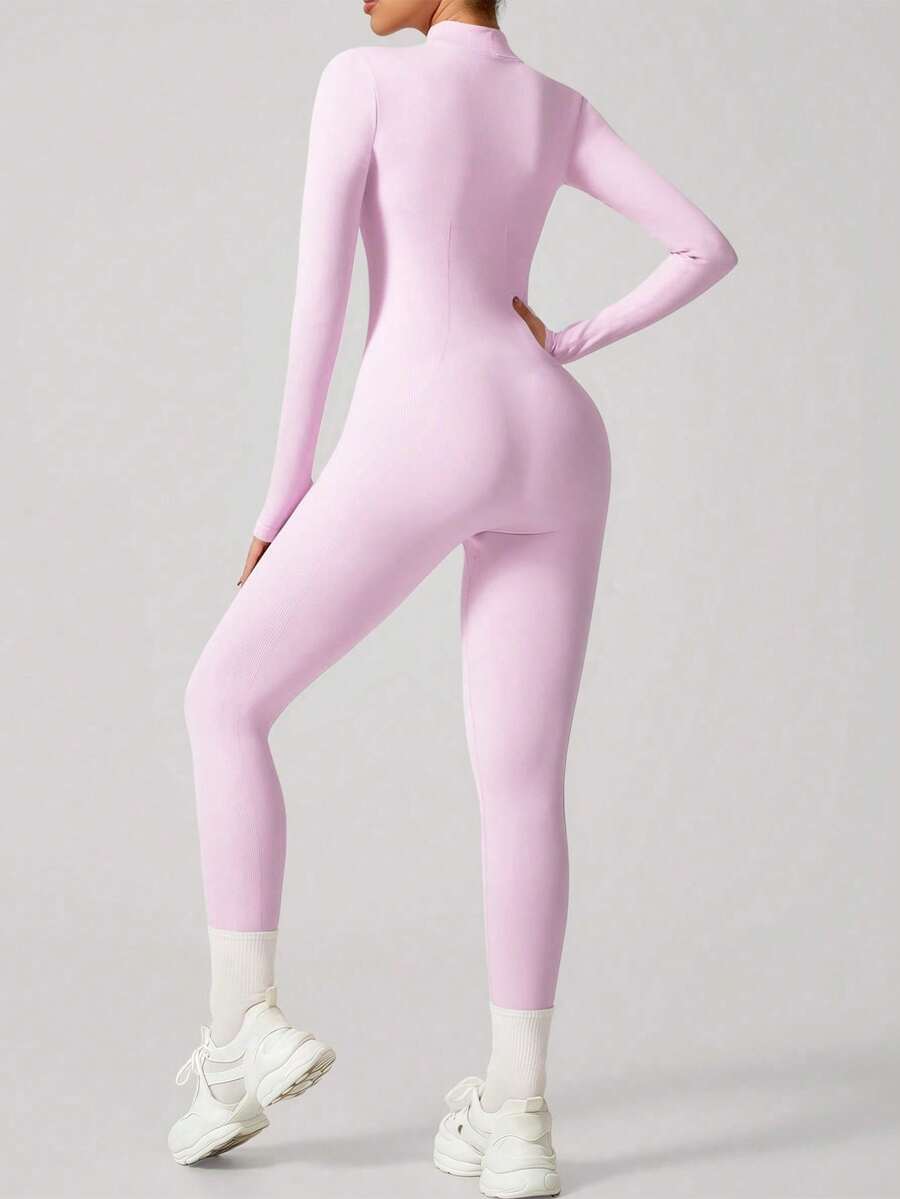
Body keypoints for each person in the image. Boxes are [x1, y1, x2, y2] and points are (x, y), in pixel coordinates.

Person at [168, 0, 737, 1191]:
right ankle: (518, 1113)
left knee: (223, 699)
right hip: (557, 438)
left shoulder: (362, 81)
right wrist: (569, 338)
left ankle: (243, 1033)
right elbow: (703, 246)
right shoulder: (555, 106)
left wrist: (283, 499)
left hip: (424, 423)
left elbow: (319, 299)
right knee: (523, 781)